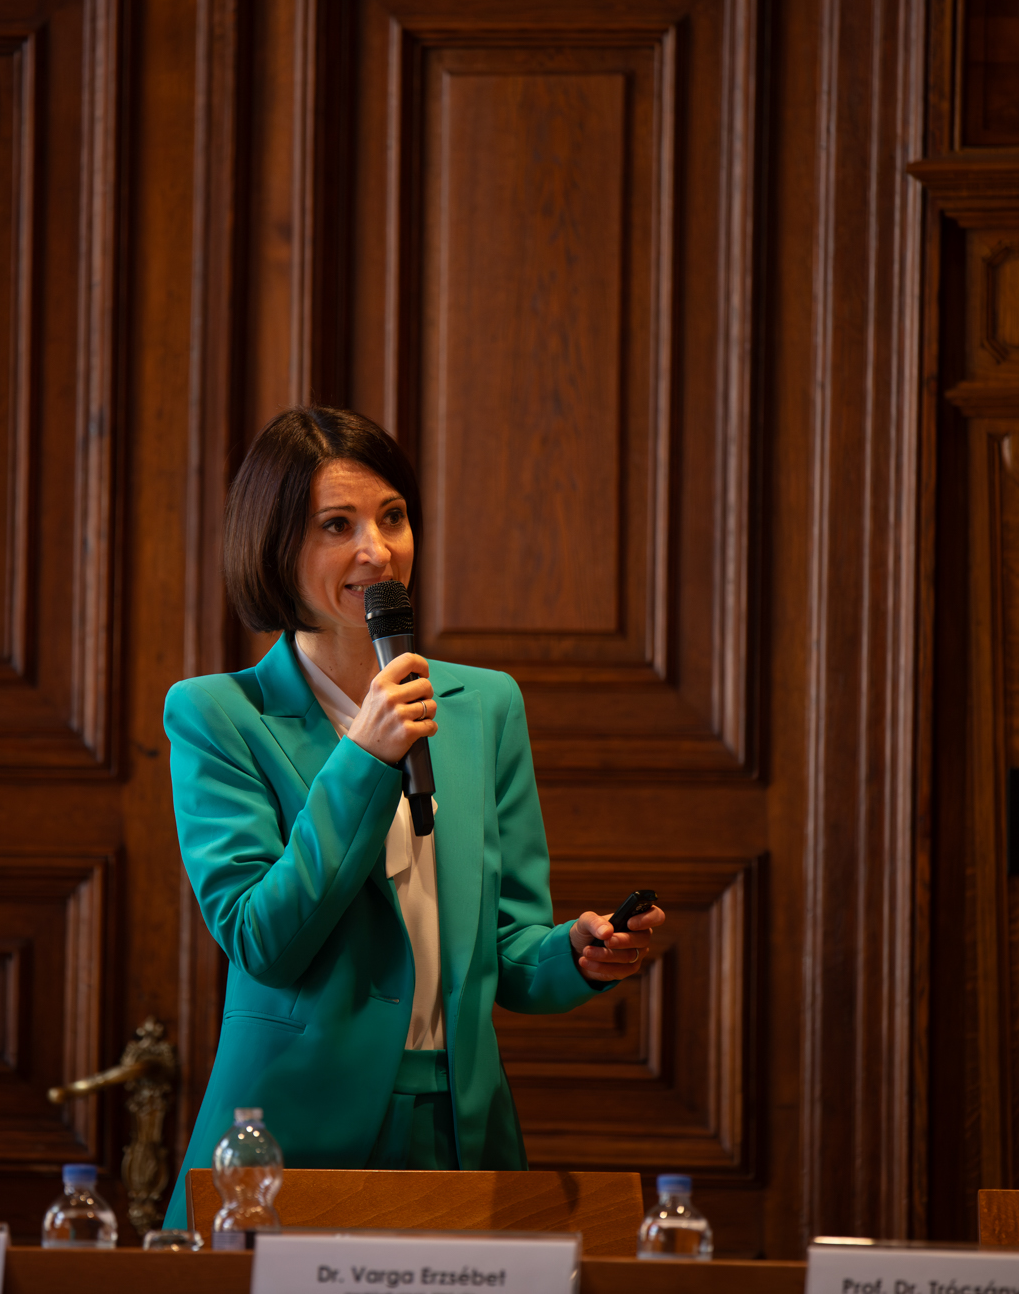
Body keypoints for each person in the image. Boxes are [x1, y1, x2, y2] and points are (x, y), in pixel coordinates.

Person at [161, 408, 666, 1228]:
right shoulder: (218, 714)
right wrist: (363, 757)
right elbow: (263, 939)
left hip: (461, 1132)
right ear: (275, 546)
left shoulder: (485, 704)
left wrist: (577, 954)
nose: (378, 550)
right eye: (337, 525)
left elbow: (509, 950)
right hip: (289, 1139)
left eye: (392, 517)